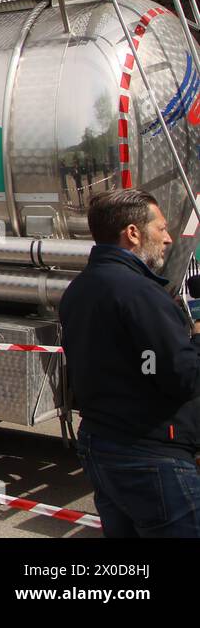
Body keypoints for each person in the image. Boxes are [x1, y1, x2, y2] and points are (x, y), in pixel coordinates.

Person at [60, 188, 200, 537]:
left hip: (101, 445)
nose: (168, 239)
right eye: (162, 228)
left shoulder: (79, 288)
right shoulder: (139, 293)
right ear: (133, 233)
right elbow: (182, 376)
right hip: (149, 454)